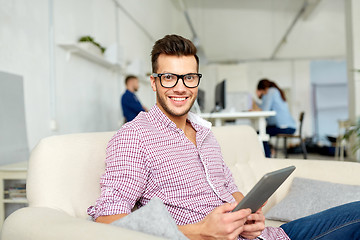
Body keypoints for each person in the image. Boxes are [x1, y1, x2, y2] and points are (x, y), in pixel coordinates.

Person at [88, 34, 360, 240]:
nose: (181, 88)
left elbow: (230, 189)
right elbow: (106, 220)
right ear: (154, 81)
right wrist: (201, 231)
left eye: (189, 78)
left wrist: (250, 216)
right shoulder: (134, 138)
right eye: (170, 77)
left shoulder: (205, 134)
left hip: (272, 236)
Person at [253, 79, 296, 158]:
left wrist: (256, 99)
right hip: (288, 126)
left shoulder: (271, 91)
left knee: (259, 133)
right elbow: (264, 108)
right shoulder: (274, 91)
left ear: (262, 89)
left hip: (285, 127)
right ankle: (269, 152)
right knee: (262, 132)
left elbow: (265, 109)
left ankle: (267, 156)